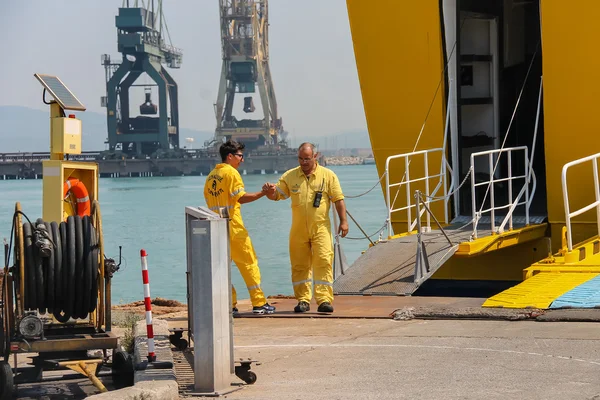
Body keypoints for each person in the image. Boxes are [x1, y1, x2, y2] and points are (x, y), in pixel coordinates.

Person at [263, 143, 348, 313]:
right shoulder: (290, 176)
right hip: (298, 230)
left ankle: (324, 300)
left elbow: (338, 199)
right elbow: (278, 194)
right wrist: (269, 191)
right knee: (299, 265)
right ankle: (303, 300)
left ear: (315, 156)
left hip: (321, 228)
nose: (303, 162)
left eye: (307, 159)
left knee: (323, 261)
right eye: (301, 159)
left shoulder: (328, 176)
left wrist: (343, 221)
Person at [204, 140, 275, 315]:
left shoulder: (212, 175)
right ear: (230, 156)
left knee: (221, 268)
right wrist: (262, 193)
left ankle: (229, 304)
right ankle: (259, 303)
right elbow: (240, 198)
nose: (242, 159)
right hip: (233, 227)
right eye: (240, 156)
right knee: (249, 263)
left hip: (216, 227)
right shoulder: (231, 173)